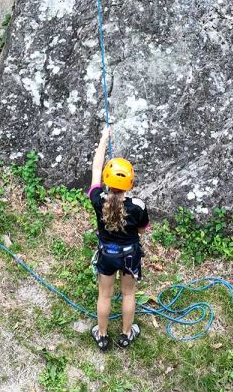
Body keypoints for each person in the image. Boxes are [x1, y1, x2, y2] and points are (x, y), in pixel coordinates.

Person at [86, 125, 149, 351]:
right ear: (130, 184)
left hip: (107, 254)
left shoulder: (97, 199)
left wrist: (104, 138)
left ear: (106, 180)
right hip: (130, 255)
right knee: (128, 293)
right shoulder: (138, 206)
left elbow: (96, 168)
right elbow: (141, 231)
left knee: (105, 295)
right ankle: (126, 334)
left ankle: (102, 335)